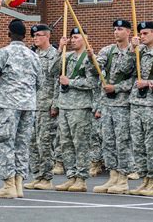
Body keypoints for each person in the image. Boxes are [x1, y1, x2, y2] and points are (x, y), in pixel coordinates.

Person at [0, 19, 43, 199]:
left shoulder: (3, 53)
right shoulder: (34, 56)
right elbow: (40, 83)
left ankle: (8, 184)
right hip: (28, 105)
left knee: (4, 143)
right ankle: (19, 184)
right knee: (21, 145)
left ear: (8, 34)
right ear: (24, 35)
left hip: (7, 105)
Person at [50, 28, 98, 192]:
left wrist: (70, 82)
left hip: (80, 106)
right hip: (65, 105)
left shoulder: (90, 58)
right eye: (71, 37)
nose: (72, 40)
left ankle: (81, 179)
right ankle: (71, 176)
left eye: (76, 37)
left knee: (80, 144)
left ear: (85, 39)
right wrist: (59, 50)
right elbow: (52, 71)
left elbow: (93, 82)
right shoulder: (67, 56)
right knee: (66, 143)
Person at [90, 20, 134, 194]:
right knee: (108, 141)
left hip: (124, 104)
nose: (116, 32)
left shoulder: (135, 51)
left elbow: (135, 78)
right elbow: (95, 70)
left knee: (122, 142)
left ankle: (123, 179)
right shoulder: (107, 51)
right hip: (107, 104)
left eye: (120, 29)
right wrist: (90, 58)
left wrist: (116, 87)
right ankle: (113, 176)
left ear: (129, 32)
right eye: (115, 29)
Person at [128, 21, 153, 197]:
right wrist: (131, 49)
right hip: (136, 103)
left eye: (145, 33)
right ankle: (144, 178)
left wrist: (148, 83)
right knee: (138, 144)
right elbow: (123, 70)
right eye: (140, 34)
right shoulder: (138, 52)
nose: (141, 36)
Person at [24, 24, 58, 190]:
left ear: (47, 36)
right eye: (34, 36)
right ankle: (37, 175)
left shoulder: (54, 54)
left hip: (46, 104)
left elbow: (58, 80)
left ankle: (46, 177)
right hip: (32, 104)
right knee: (32, 142)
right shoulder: (32, 54)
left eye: (38, 35)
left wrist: (55, 103)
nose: (35, 38)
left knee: (44, 142)